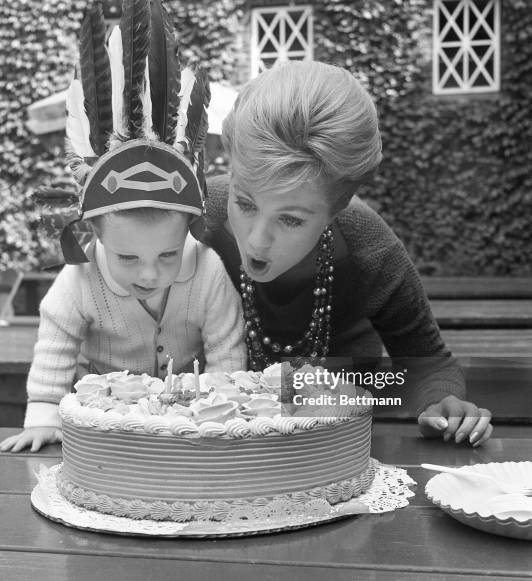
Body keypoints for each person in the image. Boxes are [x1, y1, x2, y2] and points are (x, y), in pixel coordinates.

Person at [199, 60, 492, 446]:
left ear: (337, 209)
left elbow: (428, 364)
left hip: (342, 446)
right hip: (212, 446)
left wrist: (440, 404)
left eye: (291, 220)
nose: (256, 240)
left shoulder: (370, 248)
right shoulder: (196, 217)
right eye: (246, 203)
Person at [0, 0, 246, 453]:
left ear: (191, 232)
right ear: (95, 237)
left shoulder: (209, 273)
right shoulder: (79, 279)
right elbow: (55, 348)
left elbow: (227, 359)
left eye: (167, 255)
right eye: (128, 257)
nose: (149, 274)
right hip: (103, 429)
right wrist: (41, 416)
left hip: (185, 428)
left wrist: (220, 419)